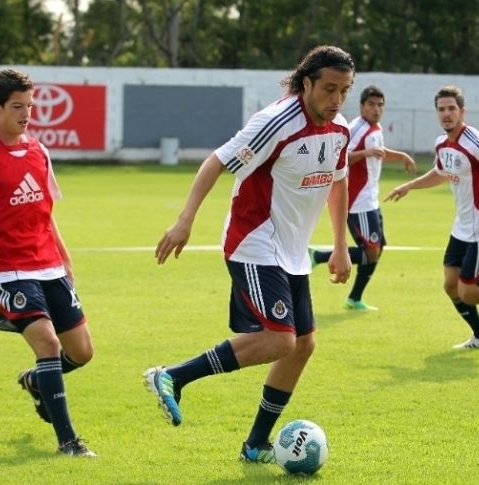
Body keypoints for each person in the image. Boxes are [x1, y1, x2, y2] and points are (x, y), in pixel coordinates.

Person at [143, 45, 354, 463]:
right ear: (306, 83)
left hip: (292, 250)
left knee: (303, 345)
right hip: (254, 241)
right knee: (280, 339)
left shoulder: (340, 130)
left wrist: (340, 244)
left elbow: (339, 181)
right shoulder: (276, 122)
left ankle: (256, 444)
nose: (337, 99)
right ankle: (172, 376)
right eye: (329, 89)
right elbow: (217, 161)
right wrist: (185, 220)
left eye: (344, 91)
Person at [0, 68, 96, 457]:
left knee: (81, 352)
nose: (27, 114)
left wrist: (66, 258)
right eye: (17, 106)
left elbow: (45, 211)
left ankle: (37, 381)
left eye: (30, 106)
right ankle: (68, 442)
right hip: (7, 268)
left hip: (48, 263)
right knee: (47, 342)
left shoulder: (39, 151)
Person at [384, 85, 479, 349]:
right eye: (441, 109)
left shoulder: (476, 143)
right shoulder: (442, 144)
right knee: (451, 286)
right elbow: (440, 173)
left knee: (469, 292)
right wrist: (409, 186)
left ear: (462, 111)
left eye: (452, 108)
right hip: (461, 228)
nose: (446, 114)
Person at [309, 85, 416, 311]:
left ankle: (354, 298)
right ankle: (318, 256)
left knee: (378, 248)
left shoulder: (374, 128)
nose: (376, 109)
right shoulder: (355, 128)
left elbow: (378, 153)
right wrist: (364, 153)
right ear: (361, 106)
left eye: (380, 105)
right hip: (357, 202)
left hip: (370, 200)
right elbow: (338, 156)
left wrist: (401, 156)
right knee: (371, 251)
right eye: (371, 104)